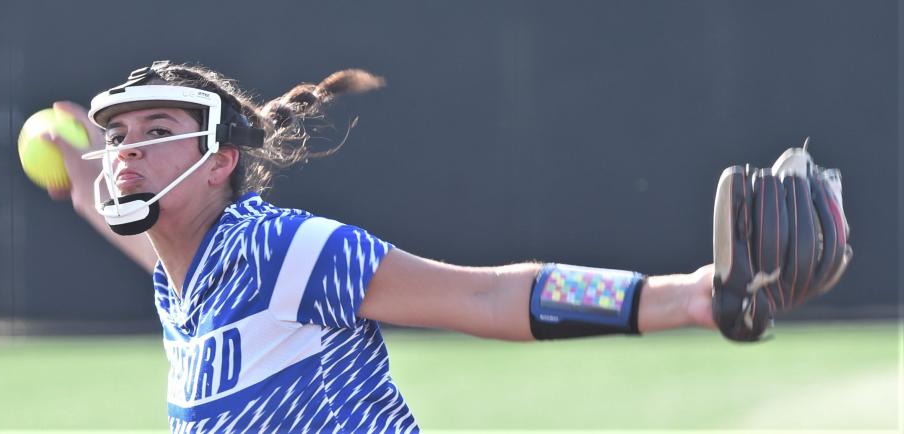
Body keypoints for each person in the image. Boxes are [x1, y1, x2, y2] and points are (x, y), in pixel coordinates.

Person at [43, 61, 717, 433]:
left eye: (156, 129)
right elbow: (128, 223)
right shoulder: (183, 276)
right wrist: (83, 185)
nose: (128, 147)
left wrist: (680, 298)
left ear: (219, 162)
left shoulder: (285, 251)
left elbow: (489, 294)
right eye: (119, 135)